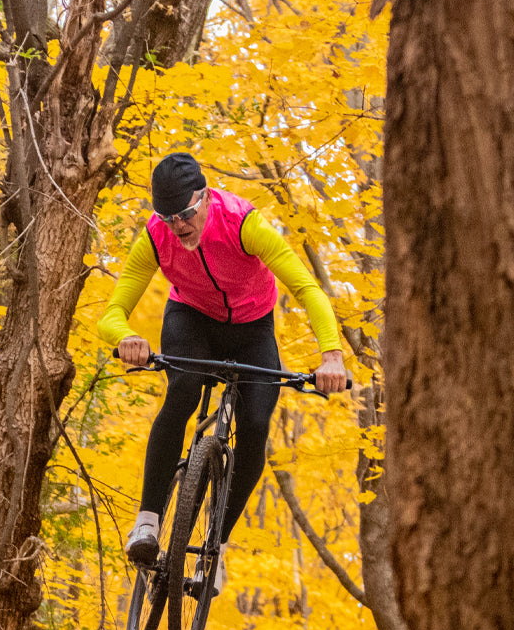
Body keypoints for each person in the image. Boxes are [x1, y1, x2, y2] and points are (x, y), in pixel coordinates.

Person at [98, 152, 346, 594]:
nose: (179, 226)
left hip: (253, 329)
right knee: (184, 390)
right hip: (190, 320)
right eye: (167, 217)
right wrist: (125, 338)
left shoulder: (244, 224)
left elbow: (306, 287)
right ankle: (147, 523)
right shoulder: (157, 237)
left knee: (254, 425)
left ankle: (216, 544)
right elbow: (113, 312)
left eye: (187, 214)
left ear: (207, 198)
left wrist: (332, 356)